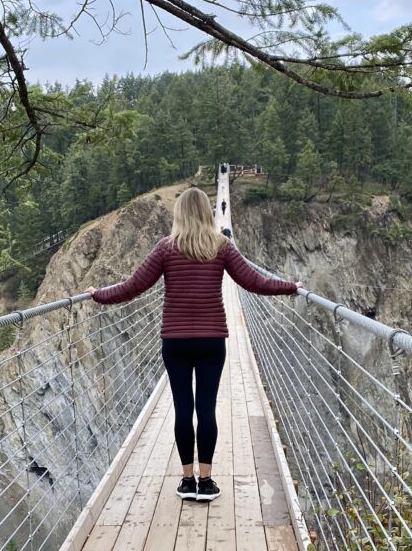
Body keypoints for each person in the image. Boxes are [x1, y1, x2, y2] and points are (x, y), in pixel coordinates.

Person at [86, 187, 302, 501]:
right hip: (212, 340)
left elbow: (132, 286)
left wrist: (98, 294)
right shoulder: (222, 246)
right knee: (206, 409)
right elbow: (255, 282)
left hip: (175, 342)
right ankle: (206, 481)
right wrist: (290, 287)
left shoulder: (165, 249)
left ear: (179, 214)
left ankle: (186, 482)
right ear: (207, 213)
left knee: (183, 410)